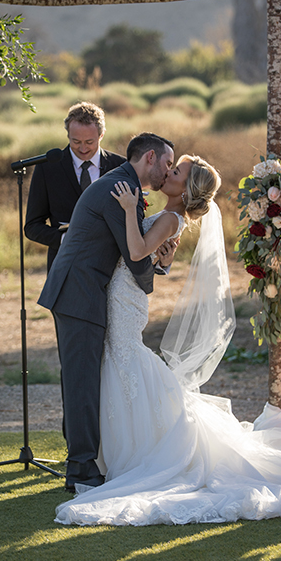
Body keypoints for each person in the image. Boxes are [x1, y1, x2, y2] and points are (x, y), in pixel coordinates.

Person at [54, 154, 281, 526]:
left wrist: (129, 210)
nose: (169, 174)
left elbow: (137, 250)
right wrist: (161, 261)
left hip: (124, 301)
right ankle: (111, 454)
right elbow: (149, 259)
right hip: (122, 295)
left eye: (176, 172)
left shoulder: (171, 217)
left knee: (125, 358)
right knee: (121, 363)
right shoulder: (168, 217)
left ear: (187, 188)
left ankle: (131, 454)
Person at [38, 133, 177, 492]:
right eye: (167, 163)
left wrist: (157, 265)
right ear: (150, 157)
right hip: (78, 293)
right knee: (82, 383)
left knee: (85, 379)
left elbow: (129, 251)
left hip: (83, 291)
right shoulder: (120, 191)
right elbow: (133, 256)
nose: (169, 170)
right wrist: (153, 275)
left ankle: (84, 461)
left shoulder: (123, 185)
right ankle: (81, 469)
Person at [25, 101, 125, 271]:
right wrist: (65, 239)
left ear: (102, 135)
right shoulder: (47, 168)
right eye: (76, 141)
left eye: (89, 141)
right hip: (64, 267)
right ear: (68, 135)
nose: (83, 148)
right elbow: (32, 227)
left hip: (111, 267)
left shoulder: (121, 166)